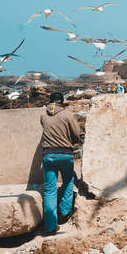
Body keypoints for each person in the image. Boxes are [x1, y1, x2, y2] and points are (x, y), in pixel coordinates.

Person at [40, 91, 81, 233]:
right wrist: (73, 141)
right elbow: (76, 133)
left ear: (50, 101)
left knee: (50, 189)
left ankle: (51, 226)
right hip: (65, 154)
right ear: (62, 101)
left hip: (47, 155)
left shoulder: (43, 116)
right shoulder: (68, 114)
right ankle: (64, 212)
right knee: (68, 180)